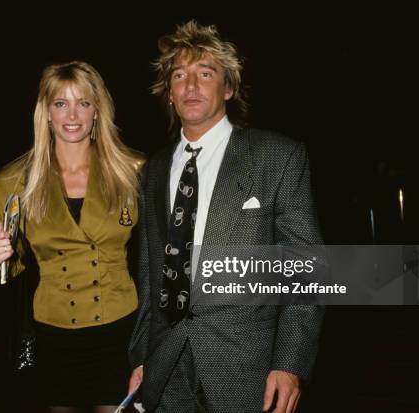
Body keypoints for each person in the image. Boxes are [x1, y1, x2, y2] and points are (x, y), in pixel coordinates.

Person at [128, 21, 324, 412]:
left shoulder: (277, 156)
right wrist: (140, 356)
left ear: (229, 87)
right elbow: (151, 274)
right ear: (169, 93)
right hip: (166, 368)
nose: (190, 86)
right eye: (179, 76)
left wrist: (289, 363)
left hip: (246, 368)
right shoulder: (151, 171)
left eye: (205, 73)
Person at [0, 61, 144, 412]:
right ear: (46, 112)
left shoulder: (134, 173)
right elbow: (9, 268)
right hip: (53, 336)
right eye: (61, 103)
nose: (72, 114)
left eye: (83, 103)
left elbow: (155, 259)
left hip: (120, 332)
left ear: (97, 110)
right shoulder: (12, 183)